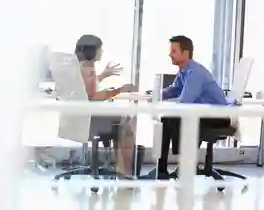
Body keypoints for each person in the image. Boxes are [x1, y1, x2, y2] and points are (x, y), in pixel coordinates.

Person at [149, 35, 231, 179]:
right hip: (203, 113)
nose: (170, 55)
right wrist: (156, 95)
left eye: (174, 51)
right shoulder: (184, 71)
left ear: (185, 53)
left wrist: (167, 104)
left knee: (170, 118)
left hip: (217, 116)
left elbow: (185, 101)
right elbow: (174, 89)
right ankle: (163, 169)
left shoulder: (195, 73)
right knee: (167, 119)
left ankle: (181, 165)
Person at [74, 34, 136, 176]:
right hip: (91, 121)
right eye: (100, 49)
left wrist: (103, 75)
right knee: (126, 122)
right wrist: (120, 90)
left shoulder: (79, 66)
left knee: (121, 120)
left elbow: (86, 88)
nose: (101, 52)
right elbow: (94, 96)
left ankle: (121, 169)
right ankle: (125, 171)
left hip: (79, 119)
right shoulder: (89, 67)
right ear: (92, 50)